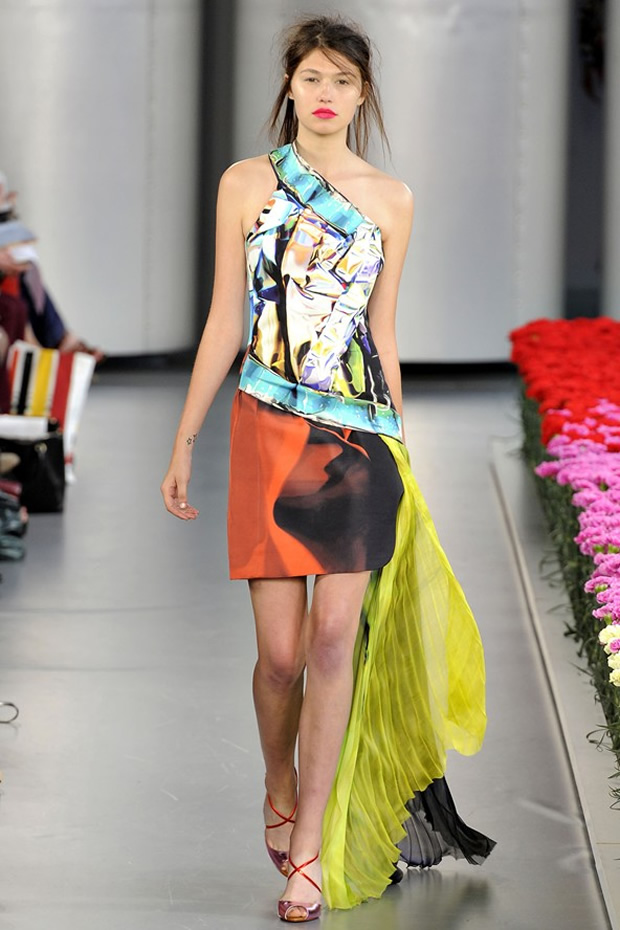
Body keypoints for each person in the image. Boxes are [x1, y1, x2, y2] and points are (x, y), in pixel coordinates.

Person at [161, 15, 495, 923]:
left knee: (332, 642)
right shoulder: (246, 183)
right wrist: (185, 436)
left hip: (358, 442)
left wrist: (403, 449)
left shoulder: (392, 199)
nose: (325, 93)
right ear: (290, 84)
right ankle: (278, 780)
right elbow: (226, 317)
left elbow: (382, 332)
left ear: (362, 95)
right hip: (266, 430)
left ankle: (307, 847)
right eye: (312, 76)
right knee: (278, 659)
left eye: (342, 81)